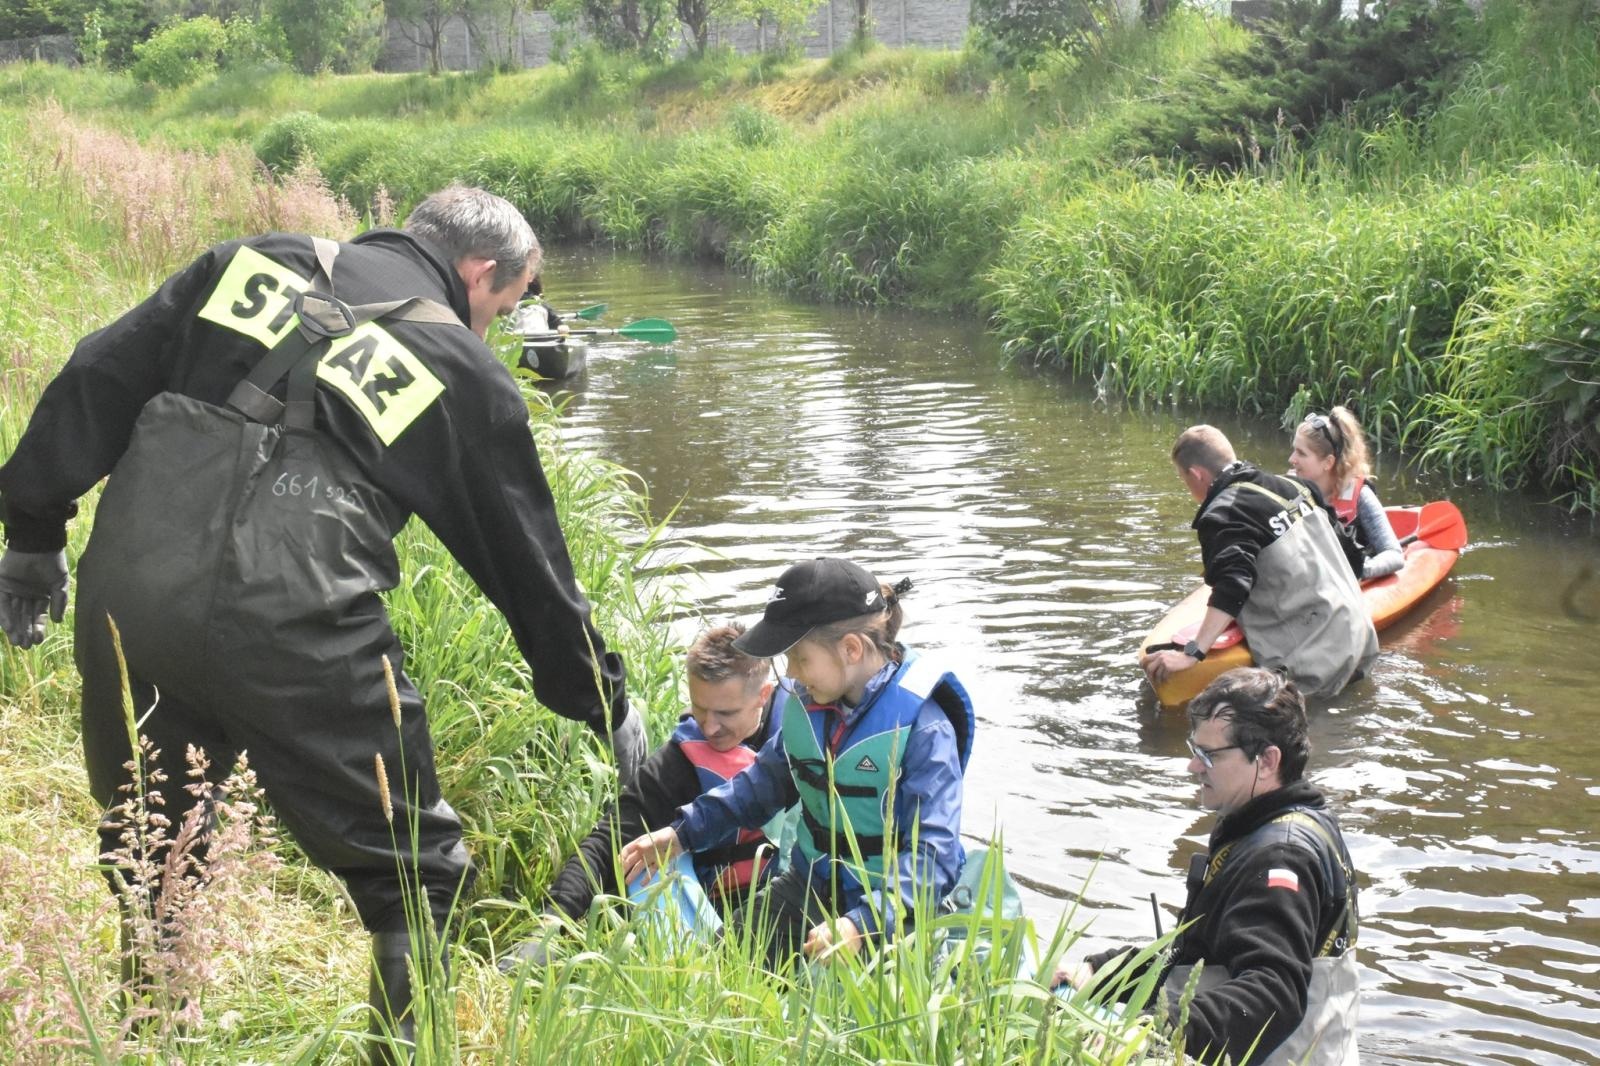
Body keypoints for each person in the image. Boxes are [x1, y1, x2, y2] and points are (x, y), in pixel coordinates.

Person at [0, 185, 646, 1055]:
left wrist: (34, 536)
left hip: (133, 594)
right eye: (505, 301)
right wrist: (600, 696)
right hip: (297, 624)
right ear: (478, 271)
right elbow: (525, 563)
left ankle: (153, 1037)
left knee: (159, 842)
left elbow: (97, 375)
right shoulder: (459, 367)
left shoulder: (246, 262)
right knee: (417, 877)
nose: (494, 323)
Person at [619, 557, 974, 970]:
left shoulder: (926, 729)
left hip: (893, 915)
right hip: (810, 888)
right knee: (719, 969)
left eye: (800, 658)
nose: (791, 674)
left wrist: (862, 924)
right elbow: (757, 789)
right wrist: (681, 834)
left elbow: (935, 854)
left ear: (851, 649)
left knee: (861, 1011)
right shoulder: (809, 709)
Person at [1059, 668, 1360, 1066]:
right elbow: (1196, 947)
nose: (1192, 767)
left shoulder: (1280, 856)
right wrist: (1100, 972)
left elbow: (1273, 992)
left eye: (1208, 755)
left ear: (1267, 760)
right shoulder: (1276, 825)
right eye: (1193, 749)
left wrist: (1152, 1033)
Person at [500, 622, 780, 971]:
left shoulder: (805, 735)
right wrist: (550, 923)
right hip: (714, 904)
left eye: (725, 713)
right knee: (647, 862)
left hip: (788, 897)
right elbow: (607, 839)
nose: (709, 727)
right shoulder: (683, 760)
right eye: (699, 708)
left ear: (764, 695)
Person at [1144, 425, 1377, 699]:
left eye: (1185, 480)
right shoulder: (1296, 485)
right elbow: (1352, 556)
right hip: (1363, 643)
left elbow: (1232, 584)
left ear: (1196, 474)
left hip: (1317, 668)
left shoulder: (1224, 512)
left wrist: (1194, 652)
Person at [1288, 407, 1404, 580]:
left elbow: (1394, 555)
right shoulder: (1291, 490)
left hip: (1352, 580)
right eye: (1294, 450)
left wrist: (1358, 570)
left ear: (1328, 462)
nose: (1291, 459)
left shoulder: (1360, 497)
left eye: (1301, 453)